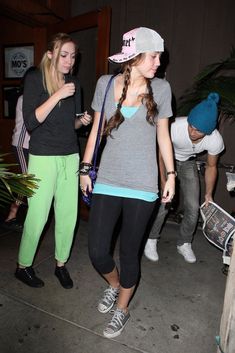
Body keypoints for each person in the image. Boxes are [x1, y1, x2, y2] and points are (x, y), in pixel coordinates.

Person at [79, 27, 175, 338]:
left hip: (143, 185)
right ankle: (114, 284)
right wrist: (84, 168)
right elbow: (95, 131)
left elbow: (163, 136)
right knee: (97, 251)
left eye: (159, 56)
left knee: (130, 253)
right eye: (153, 55)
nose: (158, 61)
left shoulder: (161, 89)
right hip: (107, 179)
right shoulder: (105, 84)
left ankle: (122, 307)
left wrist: (170, 175)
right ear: (133, 58)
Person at [15, 33, 92, 289]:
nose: (69, 61)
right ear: (51, 54)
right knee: (37, 215)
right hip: (43, 156)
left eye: (73, 56)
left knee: (68, 215)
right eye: (64, 55)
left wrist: (83, 121)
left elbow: (71, 124)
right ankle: (22, 266)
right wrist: (58, 94)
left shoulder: (75, 84)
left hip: (70, 155)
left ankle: (61, 264)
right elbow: (32, 121)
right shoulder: (35, 78)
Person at [144, 93, 225, 263]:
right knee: (164, 202)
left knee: (194, 207)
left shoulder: (215, 140)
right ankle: (151, 239)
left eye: (199, 130)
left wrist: (209, 193)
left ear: (209, 131)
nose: (193, 132)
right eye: (191, 126)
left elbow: (211, 167)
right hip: (168, 159)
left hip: (188, 163)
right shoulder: (175, 126)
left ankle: (184, 243)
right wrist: (163, 180)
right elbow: (160, 152)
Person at [2, 67, 35, 232]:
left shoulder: (34, 97)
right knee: (26, 181)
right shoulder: (24, 98)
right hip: (22, 145)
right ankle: (12, 214)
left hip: (32, 146)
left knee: (28, 181)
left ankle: (16, 214)